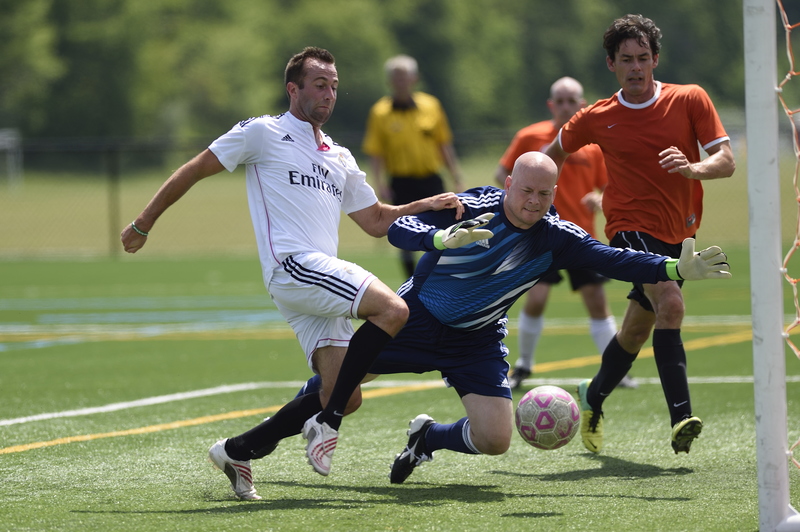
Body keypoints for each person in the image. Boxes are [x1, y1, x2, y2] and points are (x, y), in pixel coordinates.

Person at [119, 47, 463, 499]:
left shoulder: (339, 156)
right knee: (394, 311)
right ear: (293, 88)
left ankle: (238, 450)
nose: (329, 94)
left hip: (318, 285)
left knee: (346, 392)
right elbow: (196, 168)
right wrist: (144, 222)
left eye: (334, 86)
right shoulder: (263, 132)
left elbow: (377, 221)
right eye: (319, 84)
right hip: (294, 267)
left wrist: (425, 204)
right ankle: (327, 423)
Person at [284, 151, 730, 490]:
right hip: (419, 317)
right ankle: (256, 442)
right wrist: (438, 237)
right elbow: (399, 227)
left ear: (554, 195)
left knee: (496, 438)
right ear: (510, 184)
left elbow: (615, 260)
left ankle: (427, 439)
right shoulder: (472, 205)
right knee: (339, 383)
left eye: (544, 194)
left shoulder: (557, 237)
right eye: (526, 190)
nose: (533, 201)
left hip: (475, 339)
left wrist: (672, 270)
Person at [545, 14, 736, 456]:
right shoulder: (596, 116)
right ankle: (681, 417)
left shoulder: (690, 99)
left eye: (643, 58)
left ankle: (593, 397)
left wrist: (693, 168)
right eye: (626, 59)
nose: (636, 67)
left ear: (655, 59)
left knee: (635, 330)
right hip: (628, 228)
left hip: (679, 232)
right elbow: (552, 152)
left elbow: (725, 160)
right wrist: (525, 196)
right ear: (611, 63)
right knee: (670, 302)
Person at [495, 77, 636, 391]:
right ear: (550, 105)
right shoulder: (529, 137)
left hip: (579, 236)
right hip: (538, 235)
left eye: (572, 101)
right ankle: (523, 366)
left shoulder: (593, 145)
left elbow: (609, 187)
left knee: (596, 300)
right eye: (559, 101)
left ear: (582, 105)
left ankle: (616, 371)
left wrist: (600, 200)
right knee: (536, 299)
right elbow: (503, 174)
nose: (566, 106)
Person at [362, 54, 465, 278]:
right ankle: (412, 282)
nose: (400, 82)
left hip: (430, 179)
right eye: (396, 77)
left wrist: (455, 174)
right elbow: (376, 152)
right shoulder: (380, 112)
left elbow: (443, 144)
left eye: (404, 77)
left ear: (414, 79)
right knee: (405, 233)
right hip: (401, 182)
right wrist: (379, 183)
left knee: (444, 228)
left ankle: (441, 278)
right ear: (389, 81)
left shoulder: (431, 105)